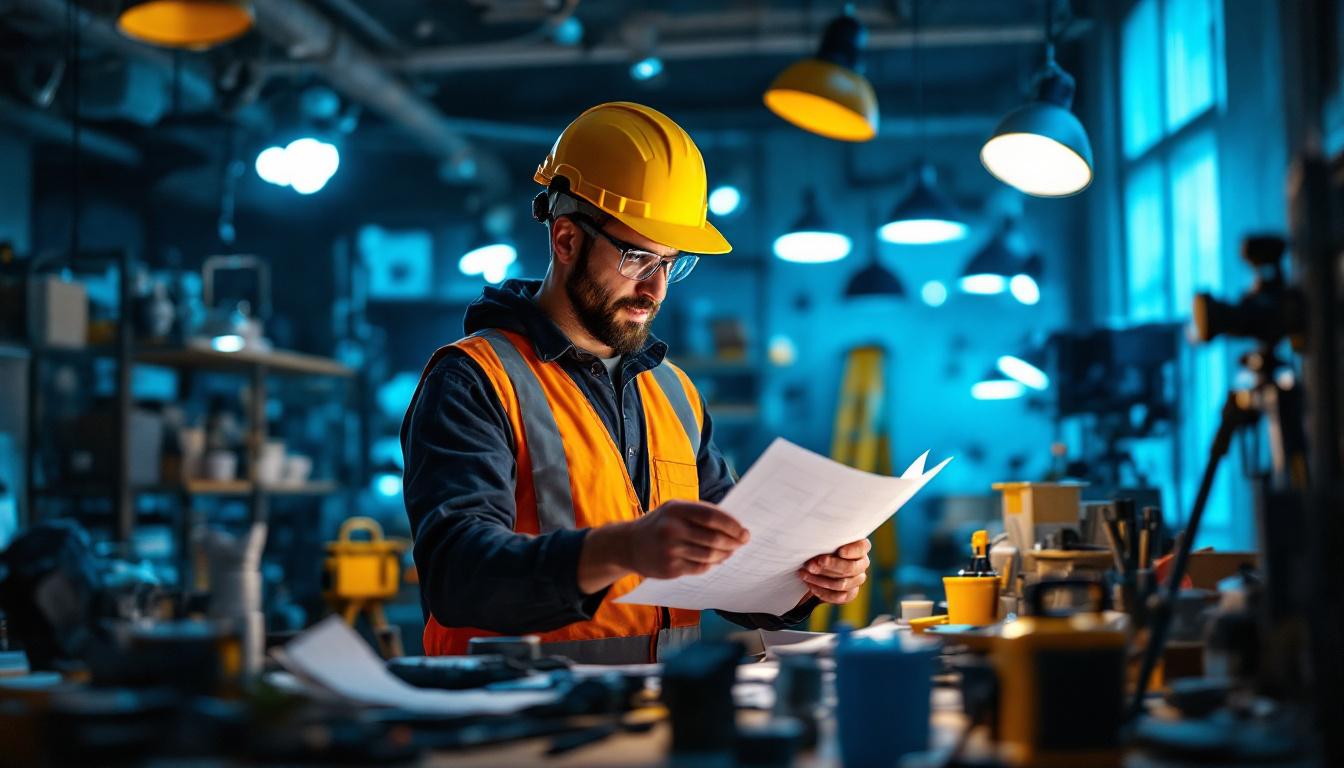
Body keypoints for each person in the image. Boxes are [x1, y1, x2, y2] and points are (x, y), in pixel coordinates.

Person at [402, 102, 871, 664]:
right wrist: (622, 549)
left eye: (671, 263)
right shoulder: (475, 378)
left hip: (658, 720)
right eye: (635, 258)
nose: (656, 291)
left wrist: (806, 577)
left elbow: (732, 567)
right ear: (567, 241)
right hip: (515, 724)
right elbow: (459, 576)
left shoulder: (674, 392)